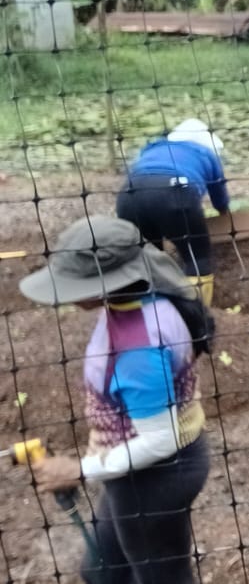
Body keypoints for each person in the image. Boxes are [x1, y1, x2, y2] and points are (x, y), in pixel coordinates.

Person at [21, 216, 213, 583]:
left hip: (155, 479)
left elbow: (161, 439)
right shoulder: (146, 297)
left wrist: (78, 469)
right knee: (102, 572)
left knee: (160, 577)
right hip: (139, 470)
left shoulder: (140, 348)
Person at [116, 118, 228, 305]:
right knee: (197, 256)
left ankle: (148, 310)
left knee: (148, 257)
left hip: (129, 195)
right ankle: (197, 313)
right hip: (175, 192)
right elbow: (220, 197)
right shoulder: (206, 154)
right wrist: (224, 213)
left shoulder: (152, 148)